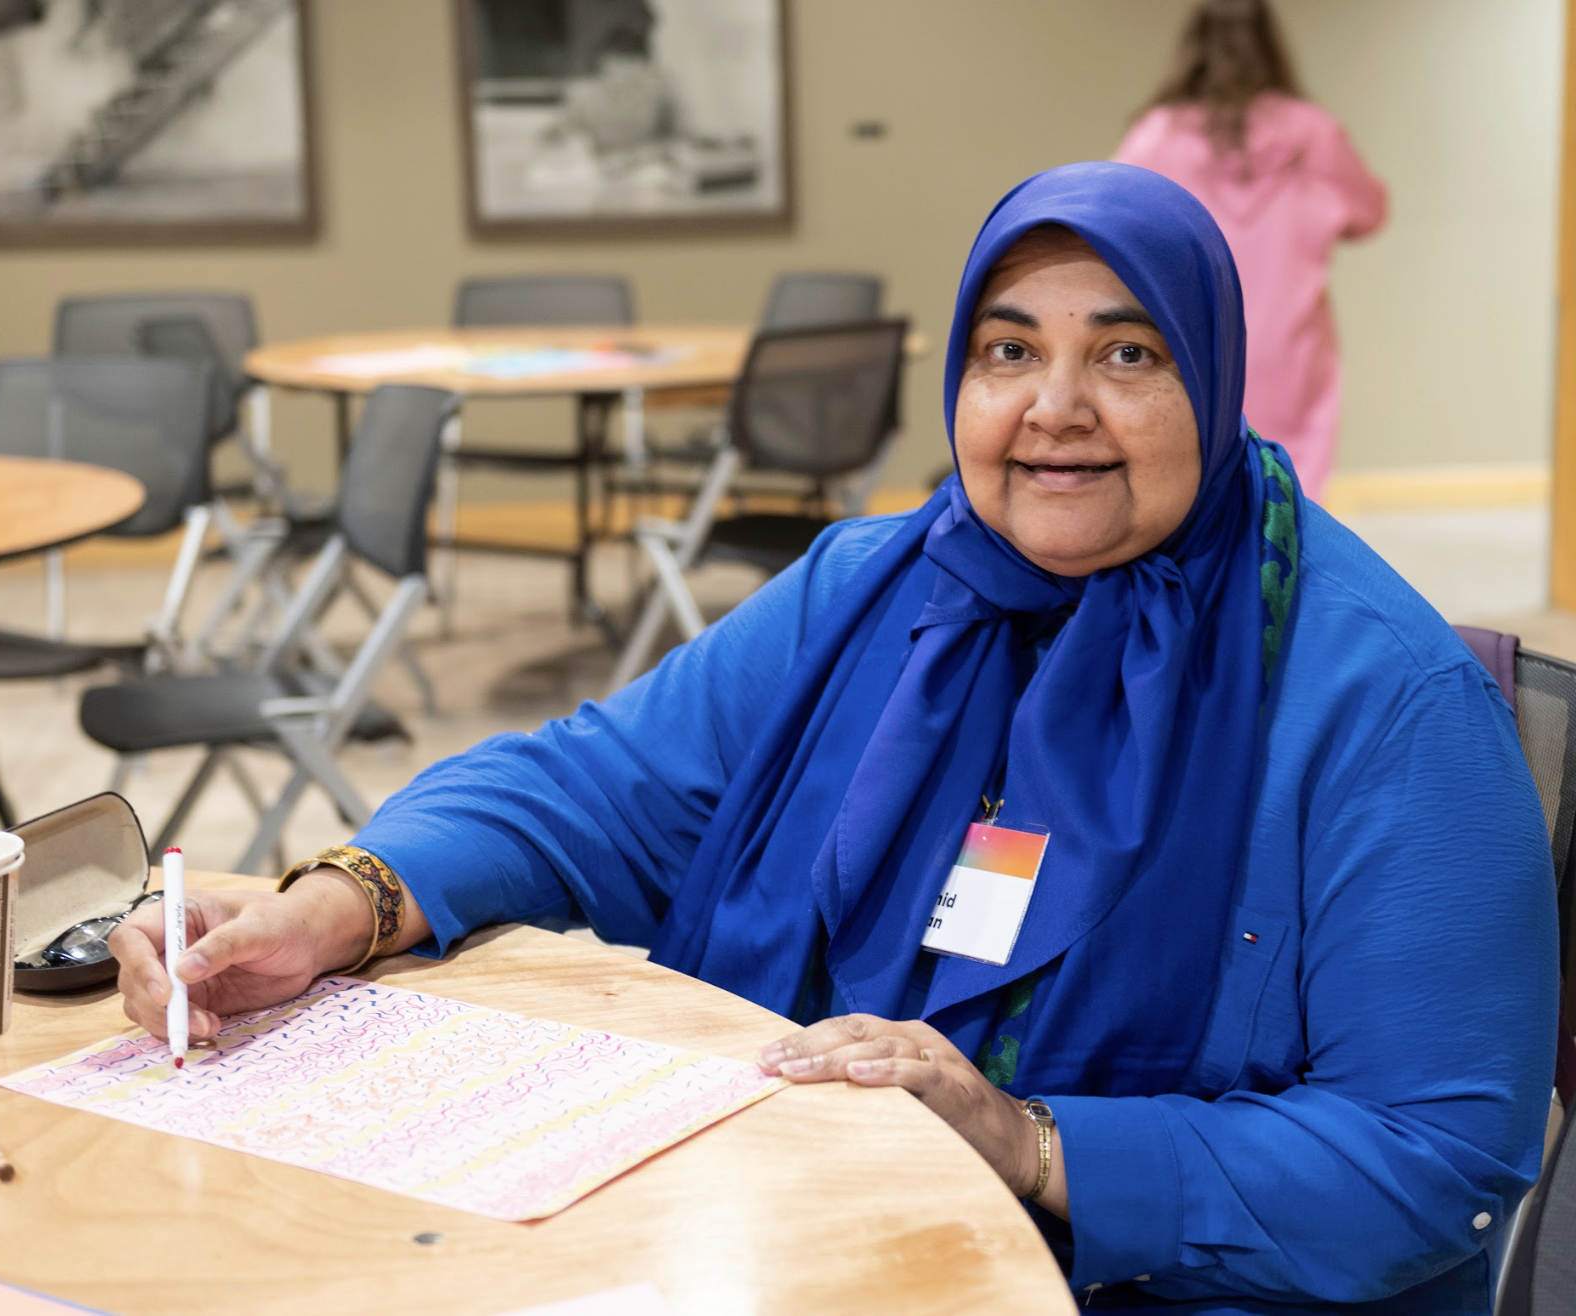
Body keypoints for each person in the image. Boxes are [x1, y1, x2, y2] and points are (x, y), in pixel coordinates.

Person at [113, 163, 1556, 1313]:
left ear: (1218, 383)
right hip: (815, 1226)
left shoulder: (1382, 700)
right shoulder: (879, 584)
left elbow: (1432, 1159)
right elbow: (596, 783)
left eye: (1128, 353)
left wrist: (1034, 1144)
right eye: (1011, 351)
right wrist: (338, 903)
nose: (1056, 409)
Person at [1114, 0, 1387, 501]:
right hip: (1291, 344)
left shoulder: (1157, 135)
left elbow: (1112, 223)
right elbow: (1369, 211)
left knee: (1192, 479)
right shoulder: (1313, 133)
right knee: (1290, 482)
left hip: (1189, 337)